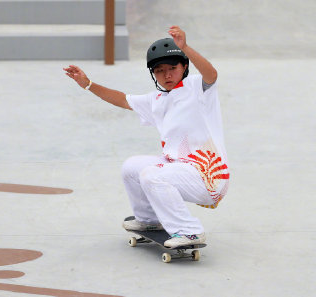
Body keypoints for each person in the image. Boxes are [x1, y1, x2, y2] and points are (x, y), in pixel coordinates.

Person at [64, 26, 230, 248]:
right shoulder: (157, 100)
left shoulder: (197, 88)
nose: (167, 75)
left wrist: (185, 48)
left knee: (153, 176)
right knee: (131, 167)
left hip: (208, 176)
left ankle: (190, 232)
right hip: (179, 168)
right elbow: (122, 100)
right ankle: (150, 221)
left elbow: (212, 74)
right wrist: (88, 84)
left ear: (185, 67)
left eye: (172, 68)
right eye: (160, 71)